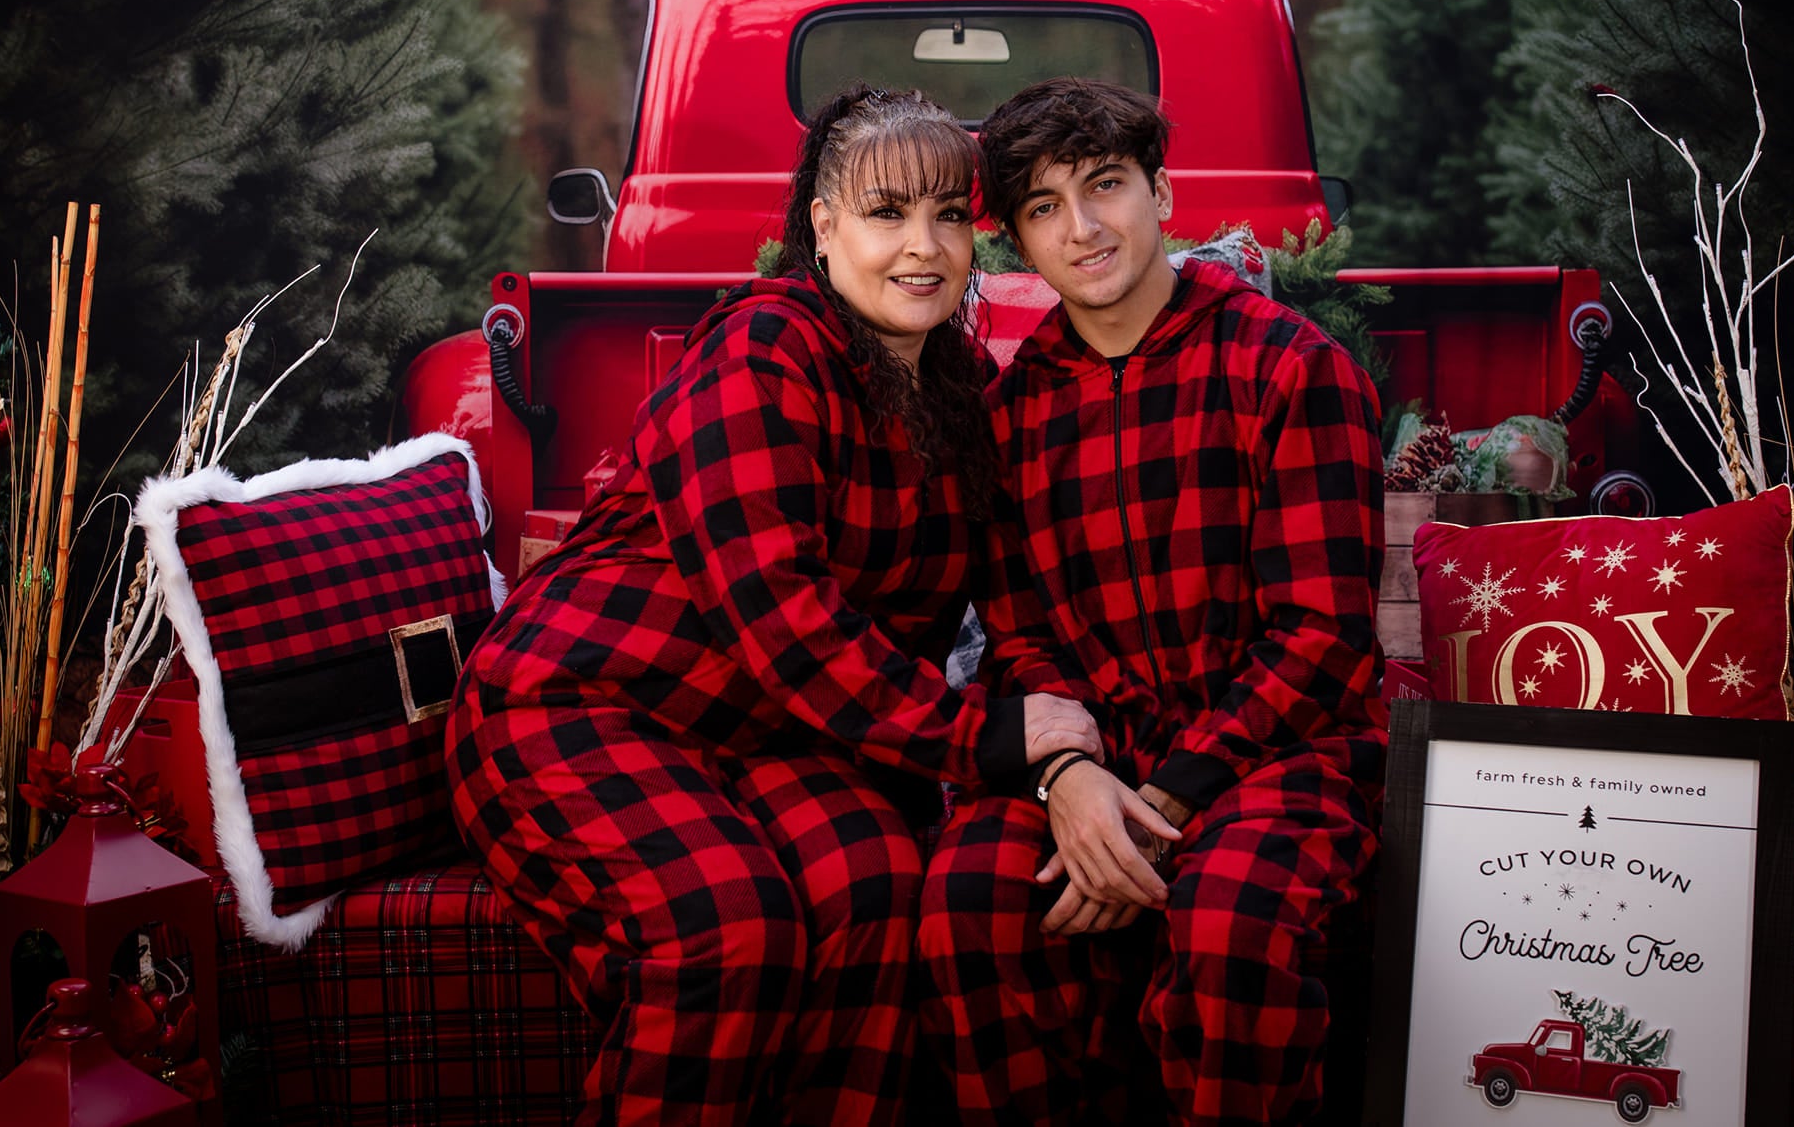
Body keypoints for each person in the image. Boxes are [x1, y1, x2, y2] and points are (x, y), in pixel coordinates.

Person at [447, 84, 1102, 1127]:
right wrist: (980, 735)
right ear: (823, 224)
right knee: (726, 927)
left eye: (948, 215)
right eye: (887, 213)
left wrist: (1064, 739)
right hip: (581, 702)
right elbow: (776, 612)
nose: (922, 246)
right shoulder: (764, 348)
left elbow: (1012, 592)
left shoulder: (959, 386)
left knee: (882, 891)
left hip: (767, 732)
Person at [919, 78, 1387, 1125]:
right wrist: (1072, 777)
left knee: (1231, 917)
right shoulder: (1008, 414)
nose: (1081, 229)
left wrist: (1162, 801)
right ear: (1016, 244)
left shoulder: (1289, 369)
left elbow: (1318, 639)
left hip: (1281, 751)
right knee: (968, 897)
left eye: (1104, 187)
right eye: (1042, 208)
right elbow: (1019, 636)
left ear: (1162, 193)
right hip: (1097, 757)